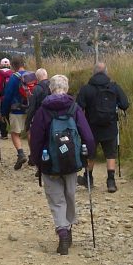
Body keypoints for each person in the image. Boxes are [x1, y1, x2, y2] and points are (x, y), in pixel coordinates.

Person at [28, 74, 95, 255]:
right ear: (66, 89)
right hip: (72, 160)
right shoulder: (74, 108)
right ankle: (69, 226)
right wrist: (90, 154)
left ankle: (62, 231)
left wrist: (36, 160)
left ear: (50, 89)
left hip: (49, 160)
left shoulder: (43, 110)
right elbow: (87, 135)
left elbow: (35, 138)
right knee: (70, 194)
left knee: (57, 199)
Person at [76, 62, 130, 193]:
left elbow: (78, 107)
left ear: (93, 73)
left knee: (91, 153)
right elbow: (125, 104)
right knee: (110, 153)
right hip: (110, 126)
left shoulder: (86, 89)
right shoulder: (114, 87)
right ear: (106, 72)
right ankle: (111, 181)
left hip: (91, 127)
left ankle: (88, 179)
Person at [0, 55, 33, 168]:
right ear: (23, 64)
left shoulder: (14, 77)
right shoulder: (32, 75)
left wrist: (3, 112)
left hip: (16, 110)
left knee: (15, 133)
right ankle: (33, 155)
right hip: (30, 109)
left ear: (13, 66)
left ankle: (20, 153)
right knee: (29, 132)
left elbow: (7, 96)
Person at [16, 67, 49, 169]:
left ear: (37, 78)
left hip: (40, 119)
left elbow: (32, 107)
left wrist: (28, 122)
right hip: (52, 118)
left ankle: (38, 162)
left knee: (38, 140)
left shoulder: (37, 89)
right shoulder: (53, 86)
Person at [0, 57, 14, 139]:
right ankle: (15, 133)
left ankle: (4, 134)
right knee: (10, 116)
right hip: (11, 99)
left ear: (0, 65)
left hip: (0, 98)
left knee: (1, 116)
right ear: (9, 65)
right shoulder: (13, 74)